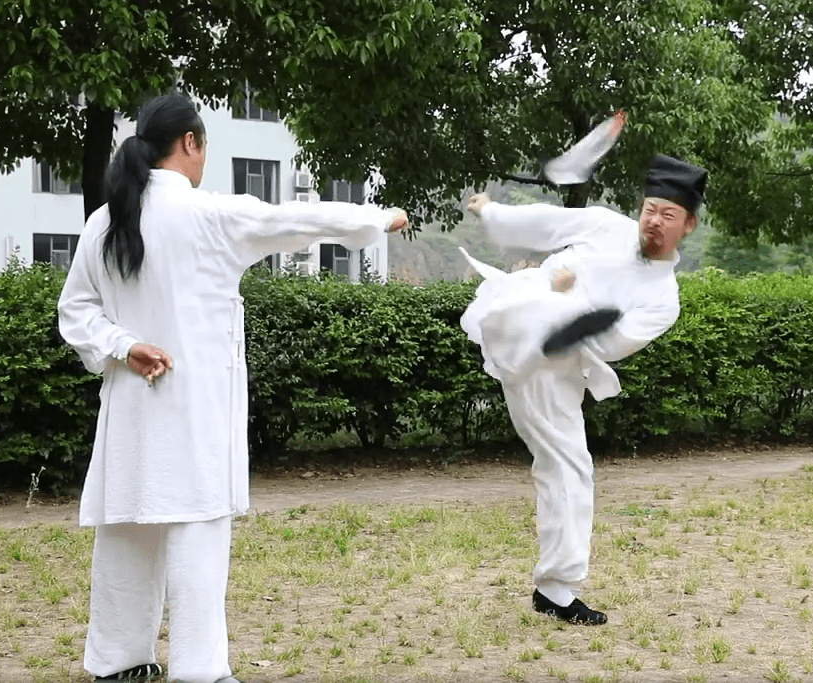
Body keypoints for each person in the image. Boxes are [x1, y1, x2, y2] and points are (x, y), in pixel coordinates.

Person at [57, 93, 408, 683]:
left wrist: (124, 345)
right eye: (204, 148)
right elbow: (292, 219)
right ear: (190, 142)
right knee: (196, 538)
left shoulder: (105, 221)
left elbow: (75, 311)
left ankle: (119, 664)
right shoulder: (208, 215)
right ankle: (200, 672)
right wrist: (375, 220)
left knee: (126, 533)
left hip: (131, 410)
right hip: (193, 412)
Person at [459, 152, 707, 625]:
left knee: (564, 470)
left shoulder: (662, 300)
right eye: (650, 209)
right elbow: (549, 223)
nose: (653, 221)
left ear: (688, 225)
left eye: (668, 215)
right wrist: (492, 212)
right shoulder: (605, 226)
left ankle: (554, 586)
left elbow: (610, 344)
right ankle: (556, 591)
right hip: (519, 318)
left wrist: (572, 299)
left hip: (556, 367)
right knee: (568, 471)